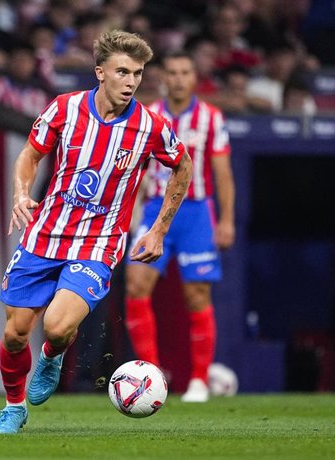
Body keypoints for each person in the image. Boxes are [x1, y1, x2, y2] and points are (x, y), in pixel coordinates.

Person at [0, 29, 193, 434]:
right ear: (100, 72)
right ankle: (14, 407)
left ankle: (51, 356)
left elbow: (182, 167)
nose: (132, 81)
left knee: (59, 327)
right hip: (45, 235)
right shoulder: (64, 109)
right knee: (14, 334)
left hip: (98, 244)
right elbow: (30, 154)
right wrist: (20, 193)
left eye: (137, 73)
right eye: (123, 72)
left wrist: (157, 230)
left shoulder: (151, 127)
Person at [124, 51, 235, 403]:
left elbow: (222, 173)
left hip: (196, 212)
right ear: (162, 78)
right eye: (171, 72)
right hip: (156, 209)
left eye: (185, 72)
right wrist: (131, 211)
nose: (178, 78)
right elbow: (138, 169)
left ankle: (200, 380)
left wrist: (227, 220)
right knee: (136, 284)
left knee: (197, 294)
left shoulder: (211, 118)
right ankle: (152, 376)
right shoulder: (148, 116)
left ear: (194, 78)